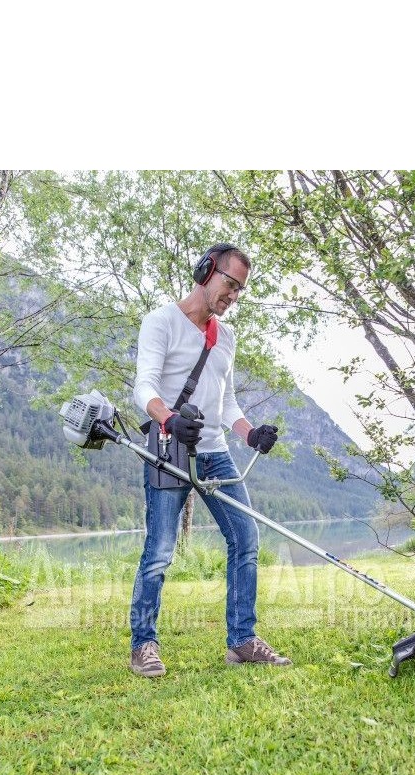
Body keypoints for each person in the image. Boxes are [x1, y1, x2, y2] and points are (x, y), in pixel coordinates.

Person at [129, 242, 292, 679]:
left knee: (246, 537)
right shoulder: (161, 322)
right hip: (170, 448)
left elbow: (227, 403)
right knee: (160, 550)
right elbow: (143, 387)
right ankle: (143, 645)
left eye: (240, 289)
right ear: (206, 271)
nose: (234, 295)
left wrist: (250, 433)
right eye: (230, 284)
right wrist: (169, 419)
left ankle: (241, 640)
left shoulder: (226, 337)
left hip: (216, 453)